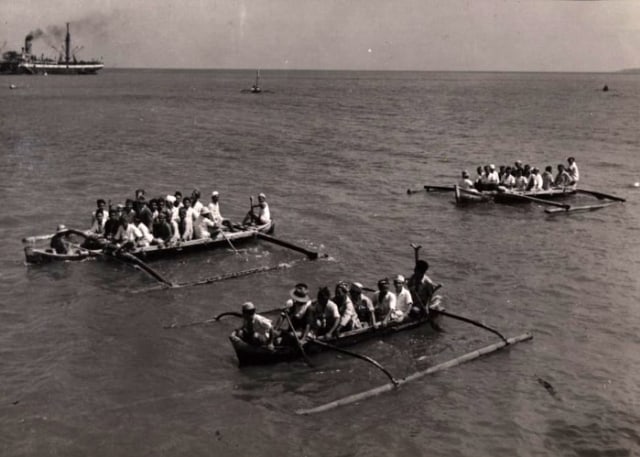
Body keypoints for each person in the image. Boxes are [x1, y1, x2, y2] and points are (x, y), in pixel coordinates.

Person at [407, 244, 441, 317]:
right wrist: (416, 252)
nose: (415, 273)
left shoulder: (427, 282)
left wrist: (426, 307)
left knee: (414, 311)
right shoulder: (415, 275)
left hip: (421, 302)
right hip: (413, 299)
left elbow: (430, 295)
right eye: (415, 271)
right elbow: (417, 264)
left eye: (417, 272)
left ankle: (435, 304)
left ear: (422, 273)